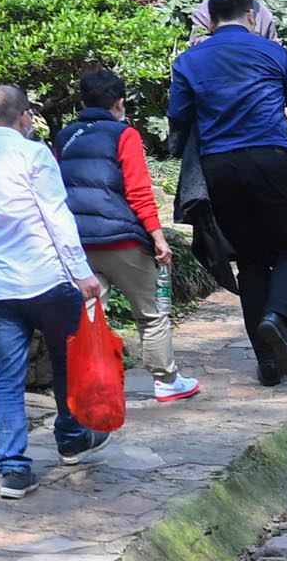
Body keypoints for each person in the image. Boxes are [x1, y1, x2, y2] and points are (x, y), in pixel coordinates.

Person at [0, 82, 108, 498]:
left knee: (6, 379)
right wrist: (82, 273)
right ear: (25, 118)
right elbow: (56, 215)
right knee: (67, 361)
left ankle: (13, 469)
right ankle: (71, 438)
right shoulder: (35, 154)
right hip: (48, 280)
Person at [168, 0, 287, 385]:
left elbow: (178, 118)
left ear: (210, 21)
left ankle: (267, 363)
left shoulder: (189, 60)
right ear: (252, 17)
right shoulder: (273, 53)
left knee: (249, 259)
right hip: (270, 159)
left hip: (220, 168)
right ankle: (277, 318)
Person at [57, 67, 200, 404]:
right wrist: (158, 238)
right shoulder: (125, 135)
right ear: (119, 103)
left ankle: (93, 387)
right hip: (122, 240)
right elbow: (138, 192)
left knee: (91, 317)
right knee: (150, 313)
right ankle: (166, 380)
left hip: (79, 244)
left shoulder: (64, 137)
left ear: (82, 101)